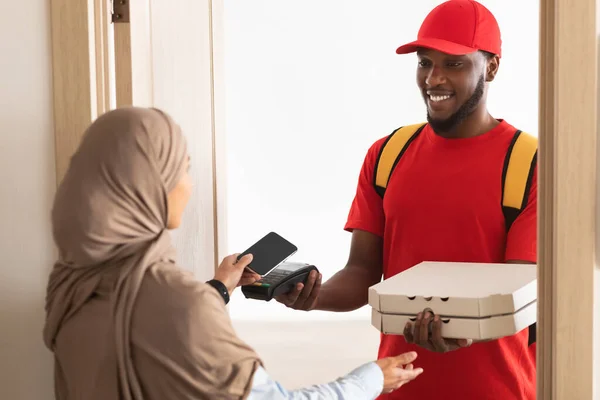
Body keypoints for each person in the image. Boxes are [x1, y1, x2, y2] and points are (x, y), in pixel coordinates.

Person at [42, 106, 423, 400]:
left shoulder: (69, 285)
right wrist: (372, 378)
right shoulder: (179, 304)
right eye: (182, 168)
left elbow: (150, 330)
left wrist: (219, 288)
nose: (189, 186)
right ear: (146, 187)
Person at [274, 1, 537, 399]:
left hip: (499, 389)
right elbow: (362, 274)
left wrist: (461, 331)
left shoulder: (530, 164)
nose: (434, 78)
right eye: (425, 62)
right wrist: (310, 296)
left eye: (454, 64)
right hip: (397, 388)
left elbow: (519, 299)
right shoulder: (387, 155)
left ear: (492, 67)